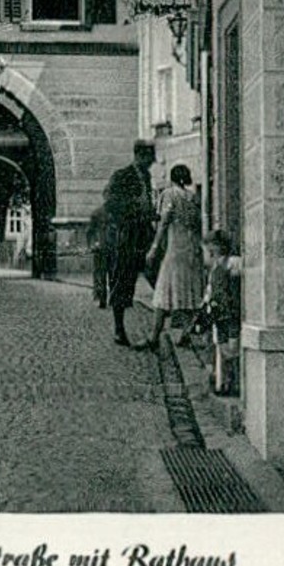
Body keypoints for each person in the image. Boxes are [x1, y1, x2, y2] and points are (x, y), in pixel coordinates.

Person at [101, 140, 157, 346]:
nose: (151, 163)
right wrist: (137, 209)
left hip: (145, 235)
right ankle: (119, 329)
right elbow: (110, 203)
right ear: (139, 156)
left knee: (156, 274)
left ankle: (158, 327)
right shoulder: (122, 175)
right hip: (126, 238)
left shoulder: (146, 176)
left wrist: (150, 213)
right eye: (149, 159)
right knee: (123, 282)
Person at [144, 164, 204, 349]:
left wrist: (154, 247)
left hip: (175, 249)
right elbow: (197, 225)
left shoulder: (170, 194)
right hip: (193, 249)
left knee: (163, 292)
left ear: (172, 178)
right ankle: (185, 334)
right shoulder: (193, 197)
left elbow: (164, 222)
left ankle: (154, 337)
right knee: (191, 292)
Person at [202, 229, 242, 396]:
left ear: (220, 246)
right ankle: (224, 382)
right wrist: (206, 303)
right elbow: (210, 290)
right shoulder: (215, 267)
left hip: (232, 312)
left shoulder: (233, 262)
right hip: (219, 315)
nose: (209, 250)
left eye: (212, 246)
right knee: (222, 346)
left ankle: (235, 381)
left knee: (234, 347)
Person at [86, 206, 108, 308]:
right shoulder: (98, 212)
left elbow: (89, 231)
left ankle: (101, 296)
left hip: (103, 247)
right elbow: (90, 231)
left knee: (100, 273)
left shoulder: (97, 212)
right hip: (104, 247)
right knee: (101, 273)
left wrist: (91, 244)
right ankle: (102, 296)